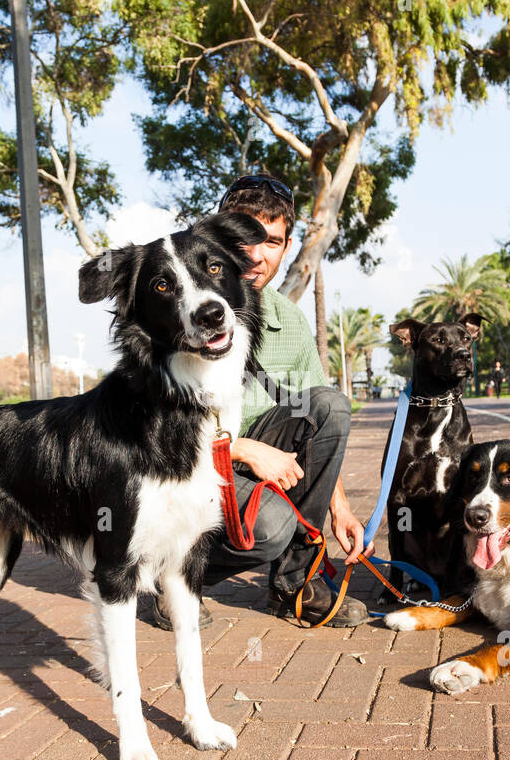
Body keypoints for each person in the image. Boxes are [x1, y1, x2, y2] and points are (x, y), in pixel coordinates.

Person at [151, 174, 374, 630]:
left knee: (329, 404)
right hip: (184, 468)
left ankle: (295, 584)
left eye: (271, 240)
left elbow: (315, 422)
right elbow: (154, 426)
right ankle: (170, 574)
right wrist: (241, 449)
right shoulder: (178, 305)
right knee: (269, 527)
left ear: (288, 246)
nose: (256, 253)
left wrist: (341, 510)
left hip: (245, 460)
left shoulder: (287, 320)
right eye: (245, 234)